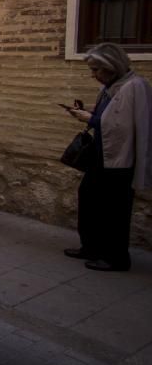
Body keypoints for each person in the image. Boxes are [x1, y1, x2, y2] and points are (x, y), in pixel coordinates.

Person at [64, 43, 152, 272]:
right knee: (89, 197)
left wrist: (90, 120)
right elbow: (109, 115)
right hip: (101, 156)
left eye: (96, 70)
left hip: (121, 159)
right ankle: (91, 247)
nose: (94, 76)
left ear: (111, 67)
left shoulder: (134, 86)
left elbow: (124, 126)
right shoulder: (110, 87)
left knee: (115, 209)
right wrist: (89, 112)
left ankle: (117, 258)